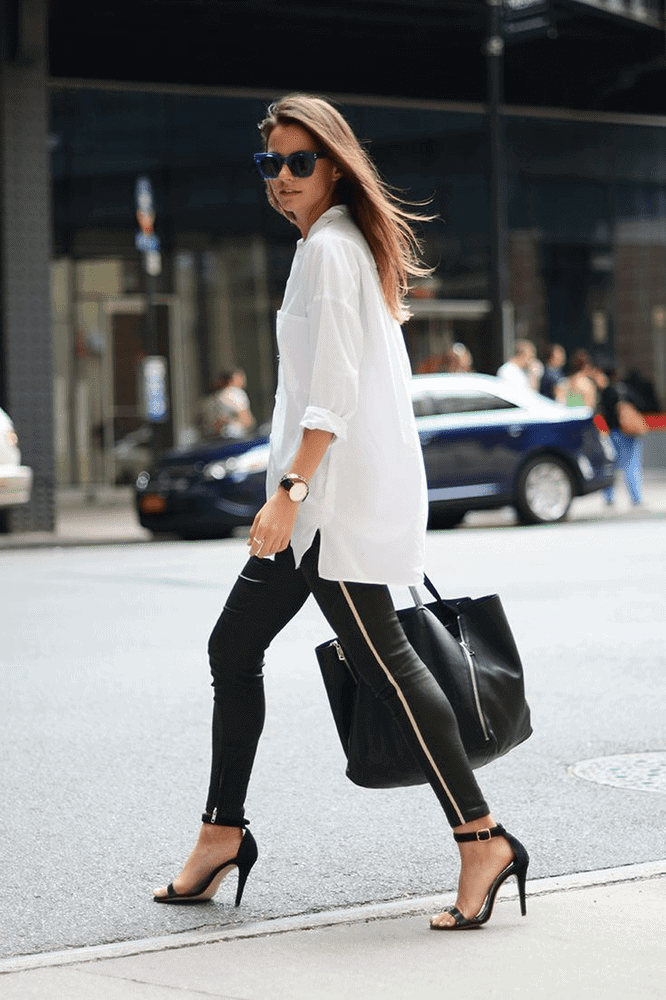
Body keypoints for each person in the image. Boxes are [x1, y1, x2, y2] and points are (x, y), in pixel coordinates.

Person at [153, 94, 529, 931]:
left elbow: (334, 391)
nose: (282, 179)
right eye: (270, 164)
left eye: (299, 162)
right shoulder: (339, 244)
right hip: (324, 501)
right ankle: (222, 831)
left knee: (387, 663)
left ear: (334, 164)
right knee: (239, 644)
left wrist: (289, 493)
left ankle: (482, 837)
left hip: (327, 504)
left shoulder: (329, 250)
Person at [600, 366, 647, 508]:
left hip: (614, 432)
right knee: (632, 465)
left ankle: (609, 497)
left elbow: (604, 411)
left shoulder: (607, 391)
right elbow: (641, 404)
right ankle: (636, 497)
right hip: (629, 433)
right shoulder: (626, 389)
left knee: (611, 465)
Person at [219, 368, 256, 438]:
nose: (243, 380)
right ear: (231, 380)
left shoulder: (222, 394)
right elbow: (246, 420)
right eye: (240, 377)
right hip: (238, 435)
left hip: (225, 435)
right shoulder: (236, 393)